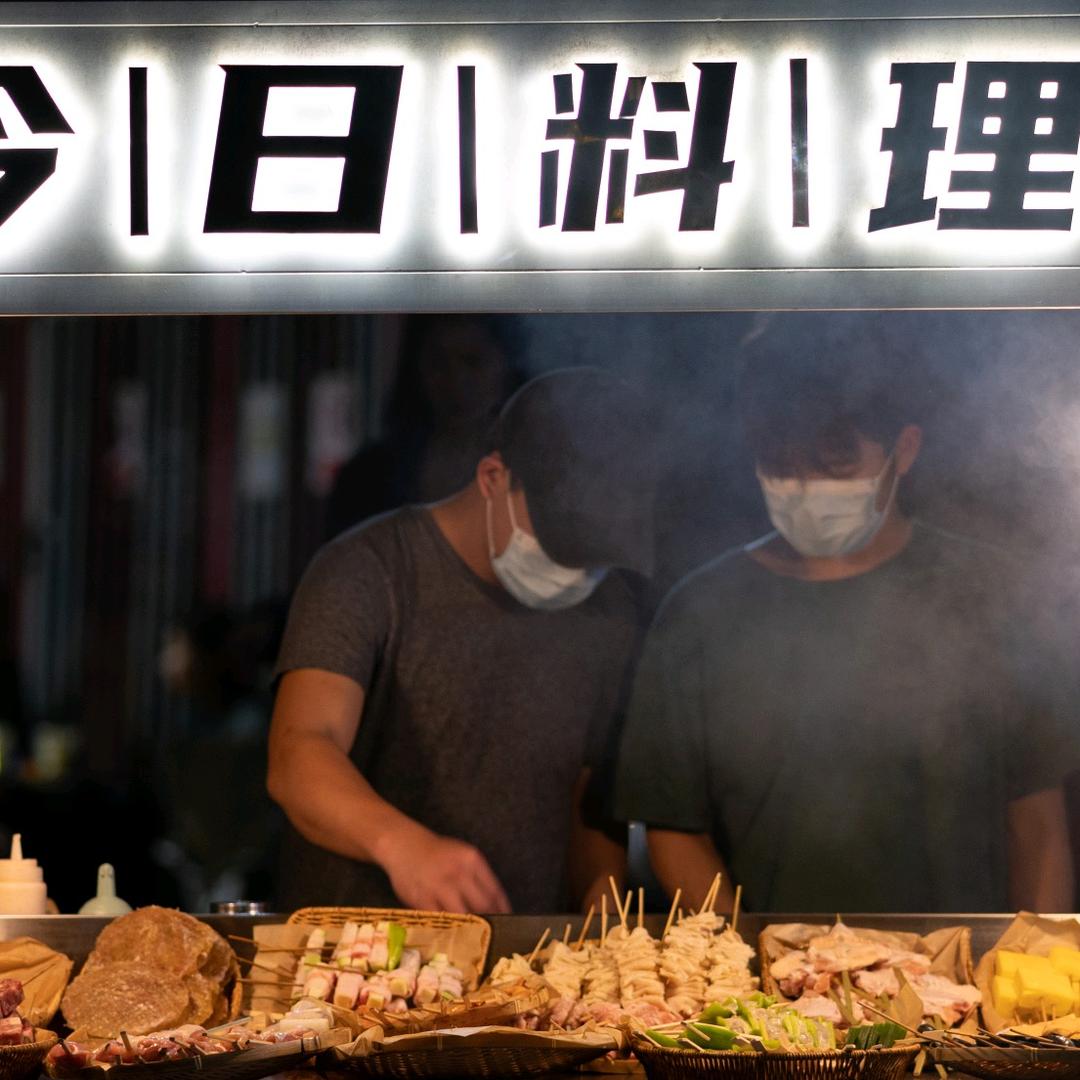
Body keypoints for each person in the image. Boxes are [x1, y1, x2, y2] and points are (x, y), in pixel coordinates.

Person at [614, 348, 1078, 914]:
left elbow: (1037, 823)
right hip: (773, 982)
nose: (805, 490)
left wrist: (1029, 965)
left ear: (905, 450)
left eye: (835, 468)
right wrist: (748, 970)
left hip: (964, 977)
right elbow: (674, 829)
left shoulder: (989, 592)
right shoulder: (699, 612)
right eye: (782, 468)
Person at [268, 368, 656, 914]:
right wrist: (403, 845)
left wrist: (603, 899)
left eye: (589, 559)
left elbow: (589, 791)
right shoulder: (370, 570)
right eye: (556, 545)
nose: (572, 573)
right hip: (356, 961)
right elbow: (299, 751)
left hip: (528, 960)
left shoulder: (613, 605)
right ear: (493, 477)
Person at [323, 315, 525, 539]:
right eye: (438, 363)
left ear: (504, 366)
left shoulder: (534, 471)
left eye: (472, 361)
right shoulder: (367, 478)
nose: (455, 380)